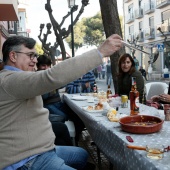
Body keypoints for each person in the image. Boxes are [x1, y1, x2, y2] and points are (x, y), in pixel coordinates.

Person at [0, 34, 122, 170]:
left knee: (81, 154)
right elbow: (51, 77)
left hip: (42, 150)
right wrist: (100, 53)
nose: (34, 60)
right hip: (26, 160)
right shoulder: (10, 80)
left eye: (35, 55)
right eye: (30, 55)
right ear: (13, 56)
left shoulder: (15, 79)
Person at [37, 55, 85, 145]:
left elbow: (63, 86)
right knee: (64, 117)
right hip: (49, 105)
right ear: (38, 66)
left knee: (79, 116)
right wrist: (52, 85)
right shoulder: (39, 78)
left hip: (59, 103)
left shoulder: (50, 76)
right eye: (43, 65)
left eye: (48, 65)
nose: (46, 68)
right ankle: (71, 142)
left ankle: (76, 139)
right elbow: (44, 97)